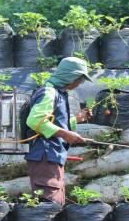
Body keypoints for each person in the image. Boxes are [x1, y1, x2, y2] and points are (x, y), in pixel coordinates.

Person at [24, 57, 92, 206]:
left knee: (56, 203)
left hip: (52, 156)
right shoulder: (49, 92)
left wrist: (77, 119)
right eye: (79, 79)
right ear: (70, 75)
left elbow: (56, 121)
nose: (79, 83)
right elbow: (34, 121)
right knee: (49, 205)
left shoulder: (59, 93)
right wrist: (66, 134)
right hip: (45, 156)